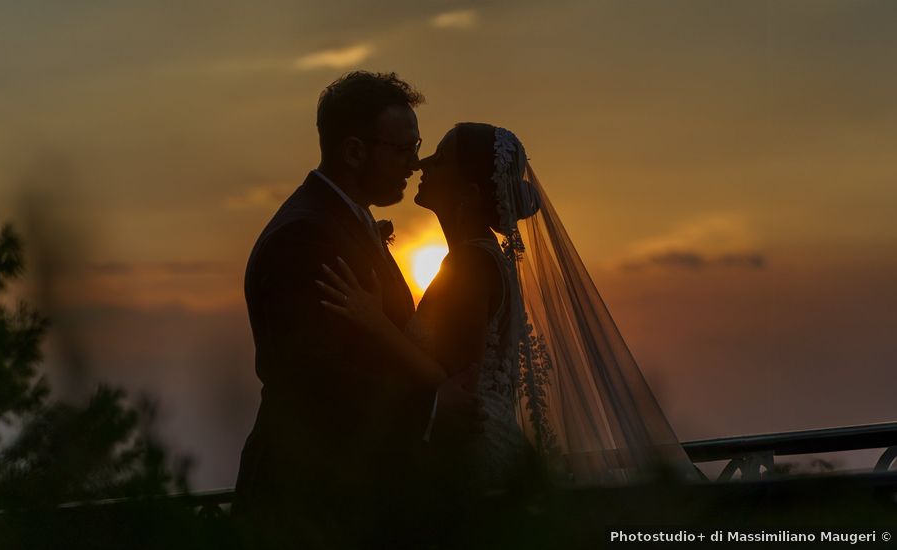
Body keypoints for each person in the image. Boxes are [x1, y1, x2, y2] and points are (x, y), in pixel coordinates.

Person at [319, 123, 698, 515]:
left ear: (468, 195)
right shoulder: (477, 259)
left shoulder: (470, 264)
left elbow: (457, 383)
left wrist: (375, 322)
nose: (422, 163)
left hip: (472, 455)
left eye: (441, 159)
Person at [232, 72, 484, 549]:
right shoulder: (304, 238)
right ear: (353, 151)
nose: (415, 163)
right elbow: (315, 380)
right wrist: (432, 406)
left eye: (418, 148)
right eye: (403, 149)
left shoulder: (344, 221)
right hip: (307, 508)